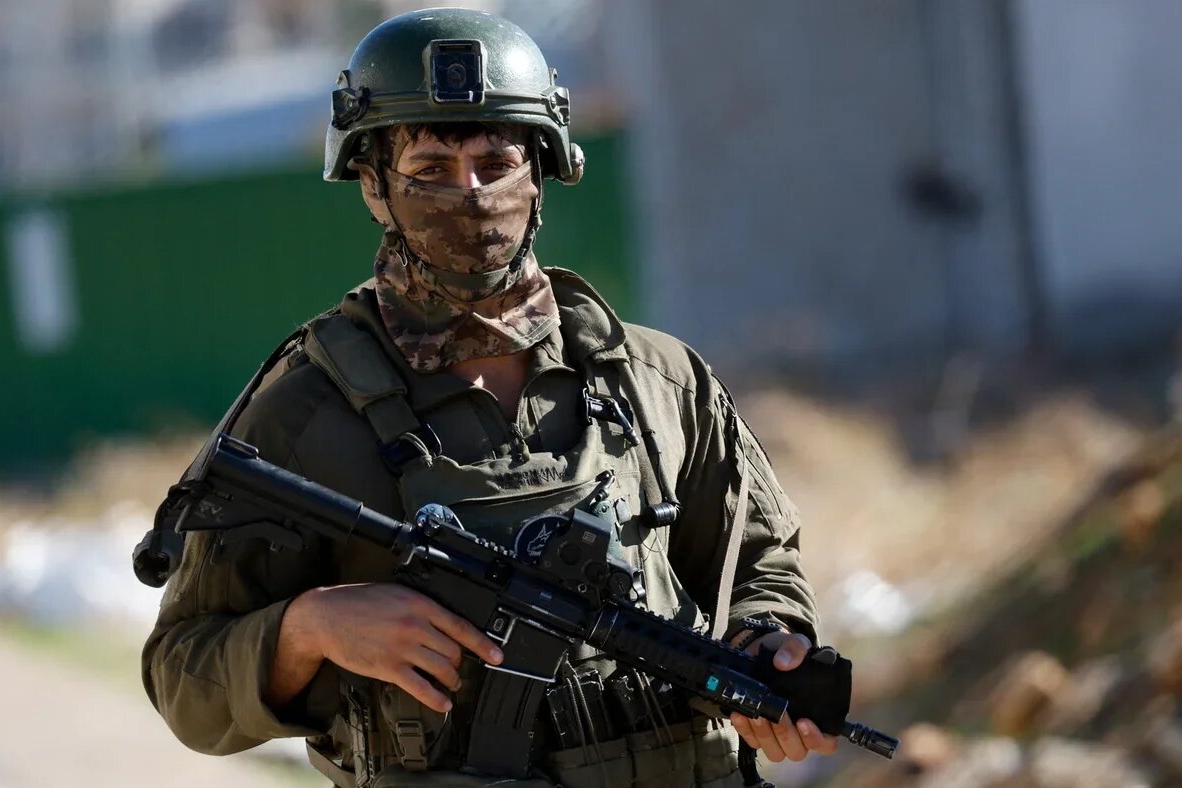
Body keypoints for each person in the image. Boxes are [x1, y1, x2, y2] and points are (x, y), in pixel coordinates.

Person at [142, 8, 834, 787]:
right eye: (431, 169)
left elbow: (760, 560)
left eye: (495, 163)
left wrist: (766, 644)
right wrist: (309, 630)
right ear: (374, 184)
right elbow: (183, 679)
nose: (469, 195)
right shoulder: (304, 417)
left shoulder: (659, 381)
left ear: (541, 170)